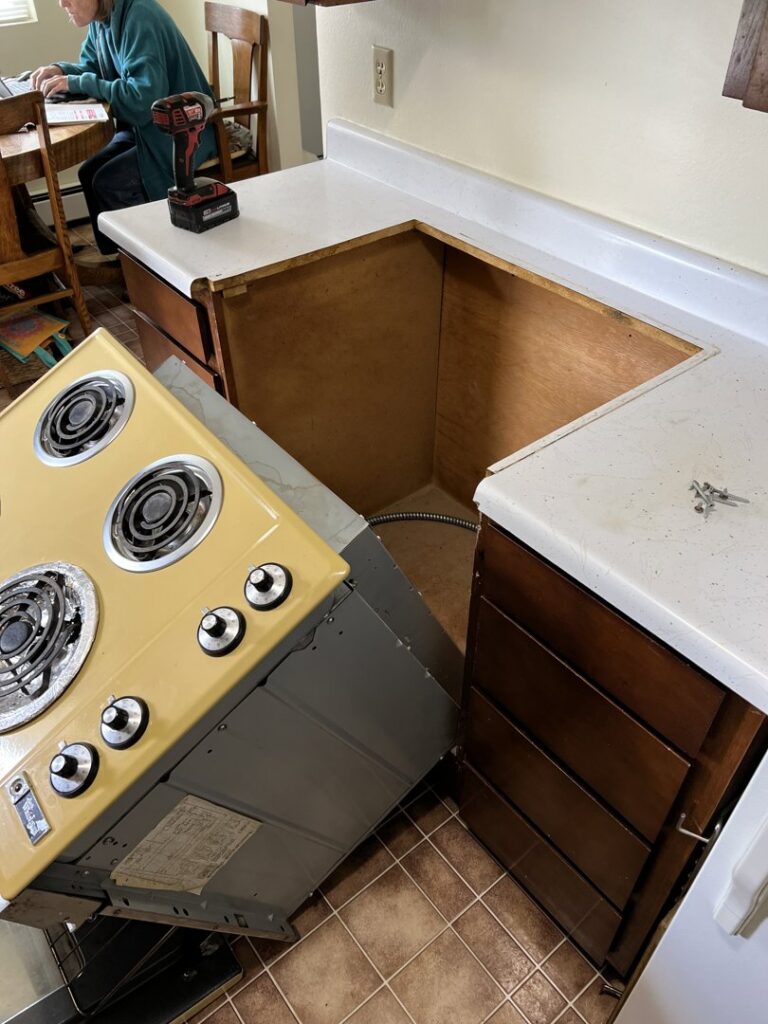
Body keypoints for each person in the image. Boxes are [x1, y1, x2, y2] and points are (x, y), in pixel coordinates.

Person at [31, 0, 217, 263]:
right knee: (88, 173)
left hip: (182, 134)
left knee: (110, 182)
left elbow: (143, 101)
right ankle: (122, 262)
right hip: (147, 131)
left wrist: (78, 81)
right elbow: (93, 67)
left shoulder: (140, 17)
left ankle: (152, 263)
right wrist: (62, 71)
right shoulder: (104, 19)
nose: (63, 3)